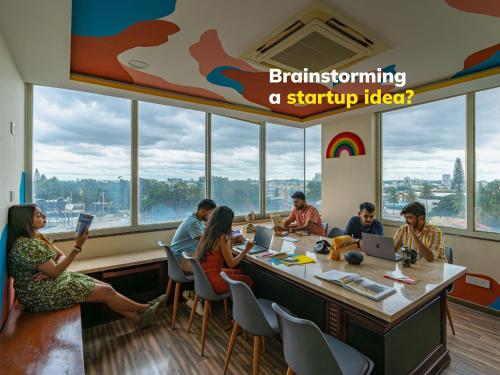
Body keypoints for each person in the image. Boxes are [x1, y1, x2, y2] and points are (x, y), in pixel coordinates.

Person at [7, 204, 163, 328]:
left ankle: (137, 318)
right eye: (38, 215)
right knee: (107, 291)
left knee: (107, 287)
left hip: (51, 282)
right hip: (41, 294)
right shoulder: (26, 245)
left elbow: (60, 257)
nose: (44, 216)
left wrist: (51, 271)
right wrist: (77, 247)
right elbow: (56, 269)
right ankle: (144, 308)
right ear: (25, 221)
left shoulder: (38, 237)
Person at [195, 206, 253, 294]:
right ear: (227, 222)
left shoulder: (207, 232)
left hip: (203, 279)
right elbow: (231, 264)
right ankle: (244, 307)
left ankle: (234, 304)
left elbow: (225, 249)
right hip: (213, 281)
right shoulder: (222, 237)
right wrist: (246, 249)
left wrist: (230, 239)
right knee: (247, 280)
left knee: (239, 272)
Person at [170, 199, 217, 273]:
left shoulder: (196, 219)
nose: (212, 216)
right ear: (202, 211)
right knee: (213, 267)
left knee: (212, 261)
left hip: (183, 255)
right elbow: (206, 241)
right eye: (210, 213)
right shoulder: (193, 223)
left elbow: (207, 233)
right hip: (181, 259)